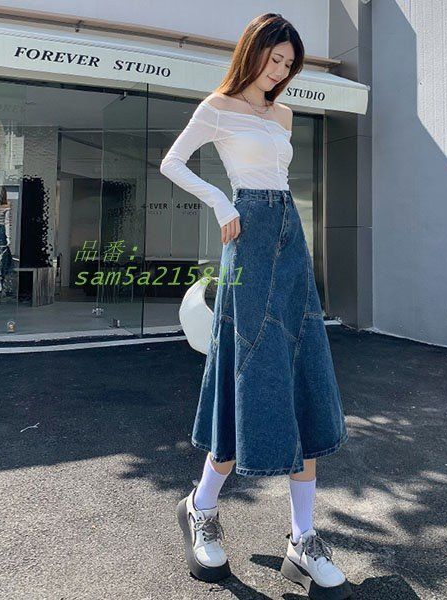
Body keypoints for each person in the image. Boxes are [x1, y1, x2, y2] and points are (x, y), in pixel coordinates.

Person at [160, 13, 352, 599]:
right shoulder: (217, 107)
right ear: (254, 52)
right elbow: (172, 162)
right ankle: (201, 506)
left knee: (301, 373)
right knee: (247, 370)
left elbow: (280, 181)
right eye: (275, 60)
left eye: (289, 65)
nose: (281, 72)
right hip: (246, 233)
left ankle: (302, 538)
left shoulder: (284, 114)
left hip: (289, 238)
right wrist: (222, 203)